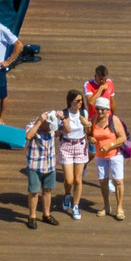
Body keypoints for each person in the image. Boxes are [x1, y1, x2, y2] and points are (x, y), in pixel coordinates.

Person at [91, 95, 127, 220]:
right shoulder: (94, 119)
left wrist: (109, 146)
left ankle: (119, 208)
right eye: (98, 109)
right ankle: (106, 206)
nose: (100, 111)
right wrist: (90, 138)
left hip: (114, 155)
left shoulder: (113, 119)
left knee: (118, 181)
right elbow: (90, 134)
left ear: (107, 110)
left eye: (102, 109)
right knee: (103, 182)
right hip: (100, 156)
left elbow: (122, 138)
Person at [23, 111, 59, 228]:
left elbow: (67, 130)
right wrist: (39, 121)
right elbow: (28, 136)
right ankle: (32, 216)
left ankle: (46, 214)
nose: (50, 129)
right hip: (35, 165)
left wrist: (63, 117)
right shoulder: (32, 126)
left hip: (50, 165)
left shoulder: (52, 128)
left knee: (47, 190)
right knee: (34, 191)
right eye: (48, 126)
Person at [57, 89, 89, 219]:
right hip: (67, 145)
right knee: (69, 180)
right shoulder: (64, 114)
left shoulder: (84, 113)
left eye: (81, 100)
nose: (80, 103)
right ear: (71, 101)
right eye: (77, 101)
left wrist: (88, 124)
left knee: (78, 179)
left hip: (80, 145)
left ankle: (75, 205)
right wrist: (64, 121)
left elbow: (88, 130)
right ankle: (67, 194)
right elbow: (60, 131)